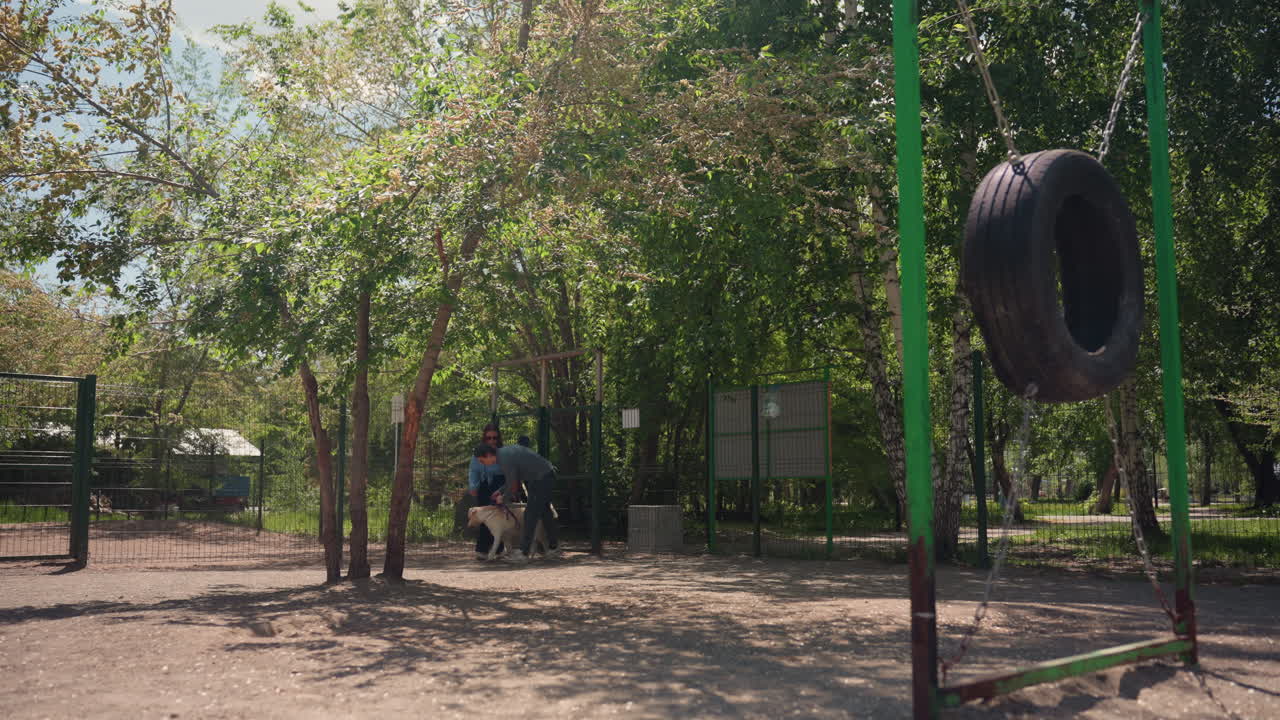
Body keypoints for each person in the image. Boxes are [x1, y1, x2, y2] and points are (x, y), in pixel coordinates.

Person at [473, 442, 561, 564]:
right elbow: (513, 479)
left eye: (482, 461)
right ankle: (554, 547)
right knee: (545, 511)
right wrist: (500, 491)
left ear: (488, 455)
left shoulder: (504, 459)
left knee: (530, 513)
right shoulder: (504, 454)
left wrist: (503, 498)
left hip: (541, 478)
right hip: (544, 476)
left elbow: (513, 485)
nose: (484, 464)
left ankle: (524, 552)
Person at [467, 424, 507, 561]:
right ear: (484, 438)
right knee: (483, 515)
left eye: (495, 438)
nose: (492, 441)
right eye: (488, 438)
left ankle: (500, 548)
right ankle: (482, 549)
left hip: (499, 483)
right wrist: (473, 485)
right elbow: (473, 470)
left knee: (498, 515)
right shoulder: (478, 452)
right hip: (484, 484)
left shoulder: (502, 452)